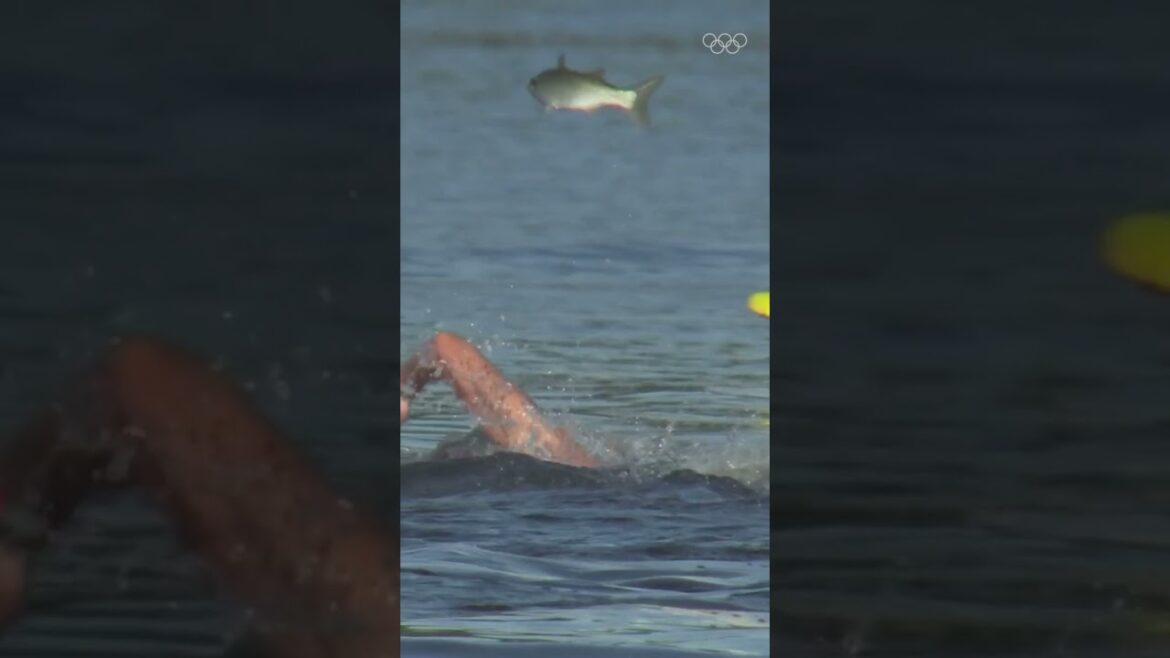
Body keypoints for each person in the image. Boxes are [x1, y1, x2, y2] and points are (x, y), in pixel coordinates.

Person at [0, 331, 596, 657]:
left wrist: (405, 393)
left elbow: (443, 349)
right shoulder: (561, 459)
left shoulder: (548, 451)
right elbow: (446, 348)